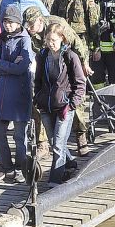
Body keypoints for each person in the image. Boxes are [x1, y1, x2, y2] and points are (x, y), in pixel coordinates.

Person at [51, 0, 99, 156]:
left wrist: (95, 48)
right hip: (61, 46)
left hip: (81, 46)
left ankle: (81, 136)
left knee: (79, 87)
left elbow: (94, 23)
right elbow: (53, 19)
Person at [34, 23, 85, 184]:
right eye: (48, 40)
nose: (51, 43)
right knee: (54, 142)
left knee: (57, 146)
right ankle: (70, 163)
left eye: (54, 40)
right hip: (46, 107)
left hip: (64, 107)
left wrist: (71, 105)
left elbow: (80, 84)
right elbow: (38, 80)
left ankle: (54, 180)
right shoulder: (42, 56)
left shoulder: (70, 56)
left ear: (62, 39)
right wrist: (37, 99)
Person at [0, 6, 35, 183]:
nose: (7, 25)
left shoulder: (25, 41)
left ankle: (20, 168)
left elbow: (22, 67)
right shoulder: (2, 39)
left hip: (19, 94)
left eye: (10, 22)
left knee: (19, 136)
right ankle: (5, 166)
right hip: (1, 94)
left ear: (18, 22)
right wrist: (7, 65)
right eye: (5, 21)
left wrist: (3, 65)